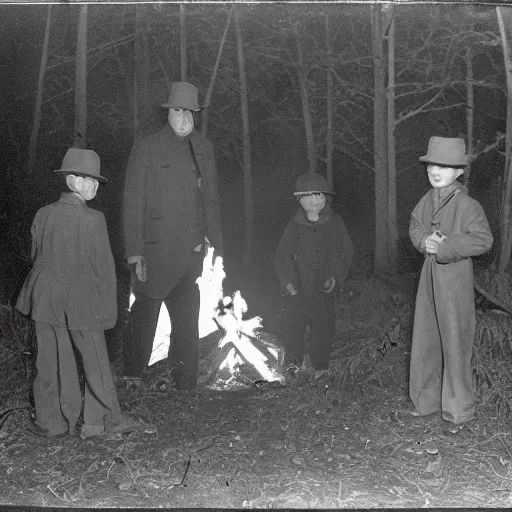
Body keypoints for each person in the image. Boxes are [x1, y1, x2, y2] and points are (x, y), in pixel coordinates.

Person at [16, 148, 140, 440]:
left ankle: (53, 422)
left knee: (49, 360)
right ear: (72, 181)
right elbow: (104, 268)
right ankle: (103, 423)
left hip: (45, 296)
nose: (95, 186)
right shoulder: (93, 220)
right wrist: (110, 310)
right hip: (82, 299)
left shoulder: (43, 213)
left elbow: (36, 254)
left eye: (97, 181)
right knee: (95, 360)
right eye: (89, 180)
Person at [122, 81, 223, 391]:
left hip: (192, 253)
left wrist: (214, 244)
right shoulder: (148, 146)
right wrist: (134, 251)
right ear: (168, 114)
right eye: (178, 111)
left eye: (190, 112)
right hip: (155, 252)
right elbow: (132, 199)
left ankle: (185, 386)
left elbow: (211, 199)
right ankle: (132, 380)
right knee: (144, 318)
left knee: (187, 325)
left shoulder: (204, 148)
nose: (185, 118)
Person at [408, 136, 493, 429]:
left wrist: (445, 247)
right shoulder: (425, 200)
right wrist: (423, 242)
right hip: (428, 278)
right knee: (425, 337)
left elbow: (483, 240)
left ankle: (459, 409)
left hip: (455, 279)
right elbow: (415, 227)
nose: (435, 170)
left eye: (444, 165)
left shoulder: (468, 205)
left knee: (455, 340)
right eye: (432, 164)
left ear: (459, 172)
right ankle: (425, 401)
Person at [274, 173, 354, 380]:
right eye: (308, 196)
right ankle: (293, 369)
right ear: (299, 199)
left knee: (324, 328)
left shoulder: (335, 223)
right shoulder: (294, 225)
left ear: (327, 198)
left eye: (320, 196)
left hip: (324, 287)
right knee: (294, 328)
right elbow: (282, 256)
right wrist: (288, 282)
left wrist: (336, 277)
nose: (315, 201)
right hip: (299, 287)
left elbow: (346, 252)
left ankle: (321, 368)